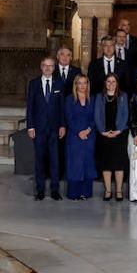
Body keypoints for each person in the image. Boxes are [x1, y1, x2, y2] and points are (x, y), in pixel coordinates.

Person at [25, 57, 65, 201]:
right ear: (41, 67)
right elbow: (30, 107)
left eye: (51, 66)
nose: (48, 68)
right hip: (39, 128)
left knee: (55, 160)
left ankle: (55, 190)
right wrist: (30, 126)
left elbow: (62, 107)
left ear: (54, 68)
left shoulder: (59, 83)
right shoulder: (34, 84)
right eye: (45, 66)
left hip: (55, 128)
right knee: (40, 160)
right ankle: (40, 190)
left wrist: (62, 125)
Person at [94, 74, 129, 202]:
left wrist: (118, 131)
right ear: (105, 83)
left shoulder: (123, 96)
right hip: (104, 134)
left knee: (119, 164)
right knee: (106, 164)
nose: (111, 84)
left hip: (119, 134)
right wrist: (102, 131)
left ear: (117, 83)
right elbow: (96, 115)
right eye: (108, 81)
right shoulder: (99, 97)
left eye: (113, 81)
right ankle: (108, 190)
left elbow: (126, 115)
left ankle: (119, 191)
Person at [62, 75, 96, 200]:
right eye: (79, 83)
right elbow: (69, 119)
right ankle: (73, 193)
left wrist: (87, 131)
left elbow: (94, 118)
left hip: (89, 136)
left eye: (85, 83)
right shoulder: (69, 99)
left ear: (88, 85)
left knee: (87, 164)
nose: (82, 86)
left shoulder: (92, 99)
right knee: (75, 164)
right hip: (74, 137)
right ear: (75, 85)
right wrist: (79, 132)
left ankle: (85, 193)